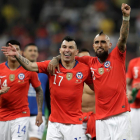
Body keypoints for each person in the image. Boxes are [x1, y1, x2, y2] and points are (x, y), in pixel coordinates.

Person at [46, 3, 132, 140]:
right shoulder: (89, 61)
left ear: (110, 45)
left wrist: (126, 18)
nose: (100, 45)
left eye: (103, 42)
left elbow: (122, 38)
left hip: (120, 115)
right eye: (97, 42)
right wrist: (55, 59)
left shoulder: (117, 56)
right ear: (93, 46)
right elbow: (68, 54)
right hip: (101, 119)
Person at [1, 36, 94, 140]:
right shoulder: (50, 66)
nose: (67, 49)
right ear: (60, 50)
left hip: (75, 124)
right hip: (54, 124)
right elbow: (30, 66)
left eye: (70, 47)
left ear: (76, 51)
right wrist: (17, 55)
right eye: (64, 47)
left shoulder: (84, 69)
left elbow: (96, 88)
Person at [0, 40, 43, 140]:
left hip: (21, 115)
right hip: (2, 115)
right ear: (6, 52)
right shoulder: (0, 69)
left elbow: (39, 90)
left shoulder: (29, 69)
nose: (13, 52)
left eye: (16, 49)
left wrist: (39, 112)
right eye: (10, 49)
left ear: (21, 53)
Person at [23, 43, 50, 140]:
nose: (33, 53)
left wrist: (50, 113)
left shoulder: (44, 73)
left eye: (35, 51)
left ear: (38, 54)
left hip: (38, 115)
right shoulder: (19, 72)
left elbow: (48, 96)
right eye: (30, 50)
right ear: (24, 53)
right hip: (20, 115)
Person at [78, 49, 96, 140]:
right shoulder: (71, 76)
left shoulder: (97, 76)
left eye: (87, 58)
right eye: (82, 58)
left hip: (95, 119)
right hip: (78, 119)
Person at [127, 57, 140, 140]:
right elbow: (128, 83)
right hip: (135, 107)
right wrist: (128, 92)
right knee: (134, 137)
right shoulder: (133, 62)